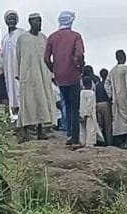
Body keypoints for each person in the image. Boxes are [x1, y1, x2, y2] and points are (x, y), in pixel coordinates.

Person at [45, 10, 85, 146]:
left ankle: (69, 134)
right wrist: (80, 67)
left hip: (60, 76)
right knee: (74, 106)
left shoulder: (52, 37)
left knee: (66, 105)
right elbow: (79, 55)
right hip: (73, 74)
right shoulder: (76, 36)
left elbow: (46, 58)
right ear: (71, 21)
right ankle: (75, 138)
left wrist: (54, 70)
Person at [16, 13, 58, 142]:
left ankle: (40, 130)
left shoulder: (43, 38)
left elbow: (48, 57)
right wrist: (18, 73)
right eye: (36, 21)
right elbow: (18, 56)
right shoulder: (22, 38)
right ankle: (27, 131)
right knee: (28, 102)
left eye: (40, 21)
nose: (39, 23)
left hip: (42, 75)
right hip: (28, 75)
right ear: (30, 22)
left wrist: (51, 74)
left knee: (41, 101)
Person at [2, 11, 24, 118]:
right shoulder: (5, 38)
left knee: (20, 90)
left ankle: (23, 115)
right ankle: (15, 115)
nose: (11, 21)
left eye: (13, 19)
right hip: (8, 70)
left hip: (19, 68)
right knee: (11, 91)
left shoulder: (21, 33)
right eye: (9, 19)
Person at [106, 50, 127, 148]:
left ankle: (120, 141)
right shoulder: (126, 69)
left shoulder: (112, 71)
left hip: (115, 98)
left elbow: (106, 84)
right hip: (125, 96)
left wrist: (111, 95)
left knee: (117, 118)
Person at [79, 76, 99, 147]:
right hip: (90, 113)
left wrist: (82, 114)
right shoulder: (92, 93)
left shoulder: (81, 92)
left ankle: (82, 142)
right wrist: (87, 113)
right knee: (90, 128)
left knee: (82, 129)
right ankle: (89, 143)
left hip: (81, 113)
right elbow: (90, 104)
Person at [96, 68, 113, 146]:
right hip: (106, 104)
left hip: (98, 104)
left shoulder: (97, 85)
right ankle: (109, 142)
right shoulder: (108, 84)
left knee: (100, 125)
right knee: (108, 125)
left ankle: (100, 141)